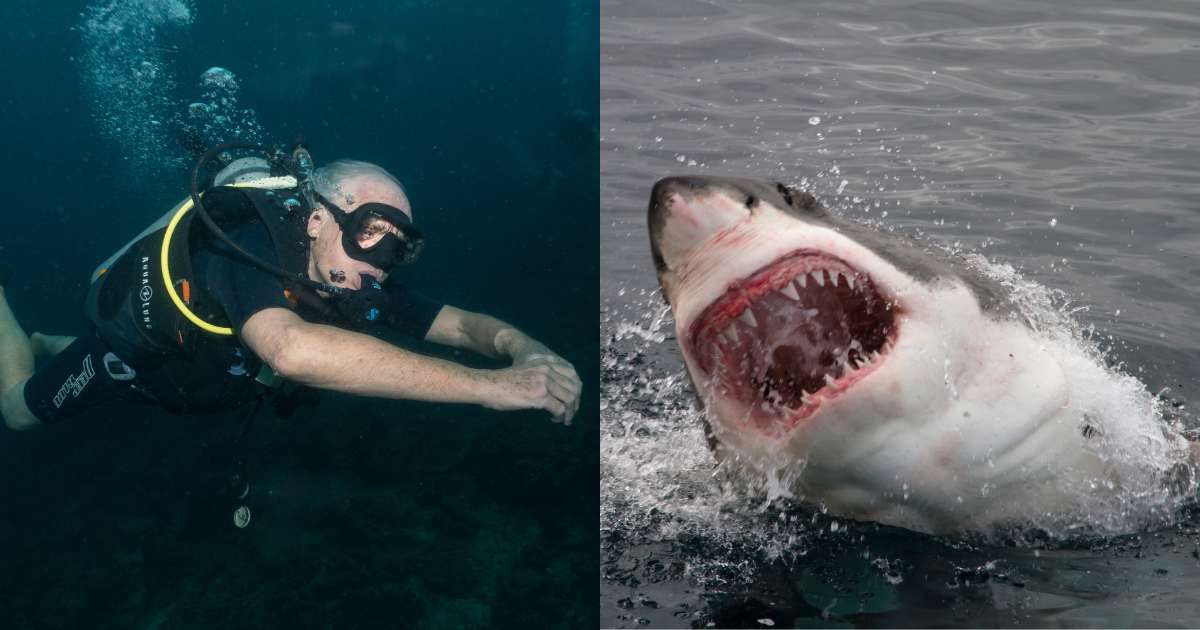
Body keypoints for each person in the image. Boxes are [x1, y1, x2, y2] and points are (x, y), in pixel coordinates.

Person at [0, 154, 582, 432]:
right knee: (18, 411)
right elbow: (289, 352)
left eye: (396, 247)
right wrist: (492, 386)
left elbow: (458, 325)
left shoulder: (351, 277)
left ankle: (50, 340)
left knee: (145, 387)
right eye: (369, 232)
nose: (380, 261)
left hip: (190, 377)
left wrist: (521, 348)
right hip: (130, 355)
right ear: (315, 221)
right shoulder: (243, 245)